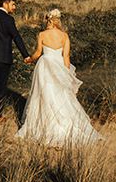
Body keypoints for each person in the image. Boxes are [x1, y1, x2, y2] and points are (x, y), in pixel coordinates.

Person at [17, 8, 101, 146]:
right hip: (59, 66)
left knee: (44, 94)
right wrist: (67, 74)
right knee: (61, 95)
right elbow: (66, 57)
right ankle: (66, 127)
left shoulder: (42, 34)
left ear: (49, 20)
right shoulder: (64, 36)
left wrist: (29, 60)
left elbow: (38, 53)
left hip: (45, 66)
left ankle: (44, 127)